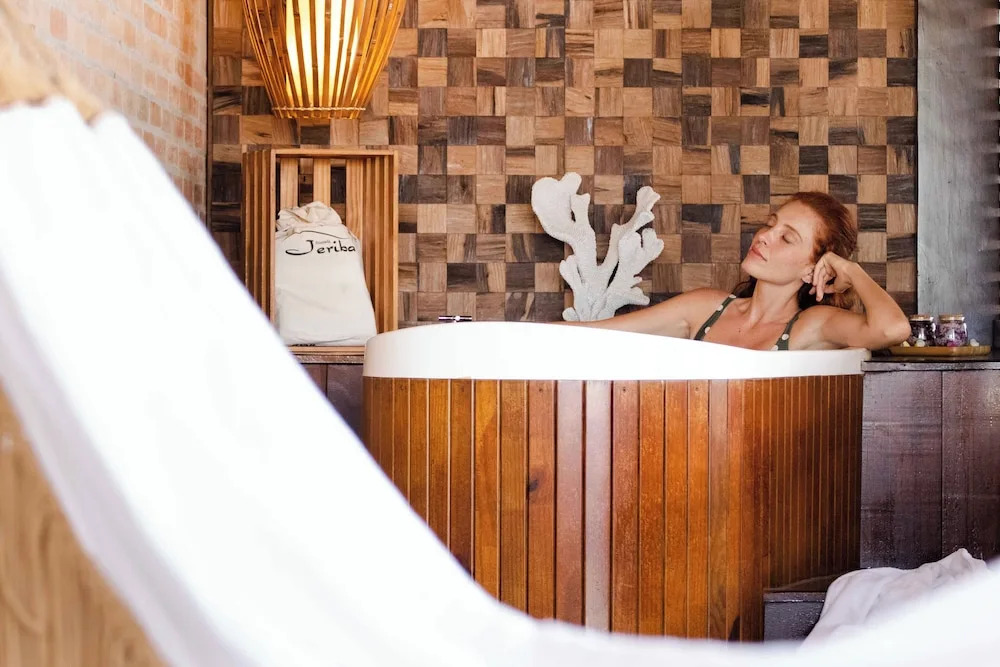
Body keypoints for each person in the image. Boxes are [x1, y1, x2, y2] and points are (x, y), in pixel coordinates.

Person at [576, 192, 910, 351]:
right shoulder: (706, 307)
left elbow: (892, 329)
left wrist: (851, 270)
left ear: (813, 269)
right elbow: (597, 334)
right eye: (769, 224)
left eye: (787, 238)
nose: (764, 236)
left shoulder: (813, 325)